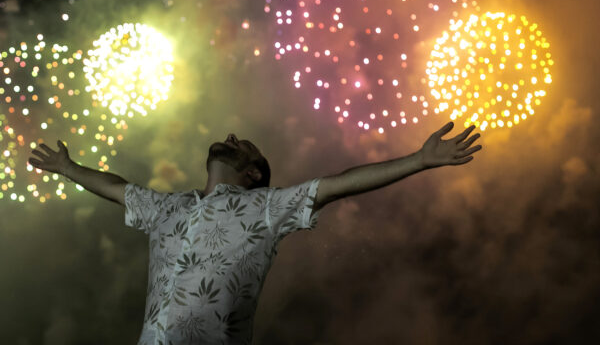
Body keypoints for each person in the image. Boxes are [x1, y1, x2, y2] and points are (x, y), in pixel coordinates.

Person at [28, 121, 482, 344]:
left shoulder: (266, 207)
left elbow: (342, 181)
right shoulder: (168, 207)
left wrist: (419, 161)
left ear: (251, 173)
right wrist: (68, 168)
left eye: (244, 146)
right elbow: (115, 187)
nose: (232, 135)